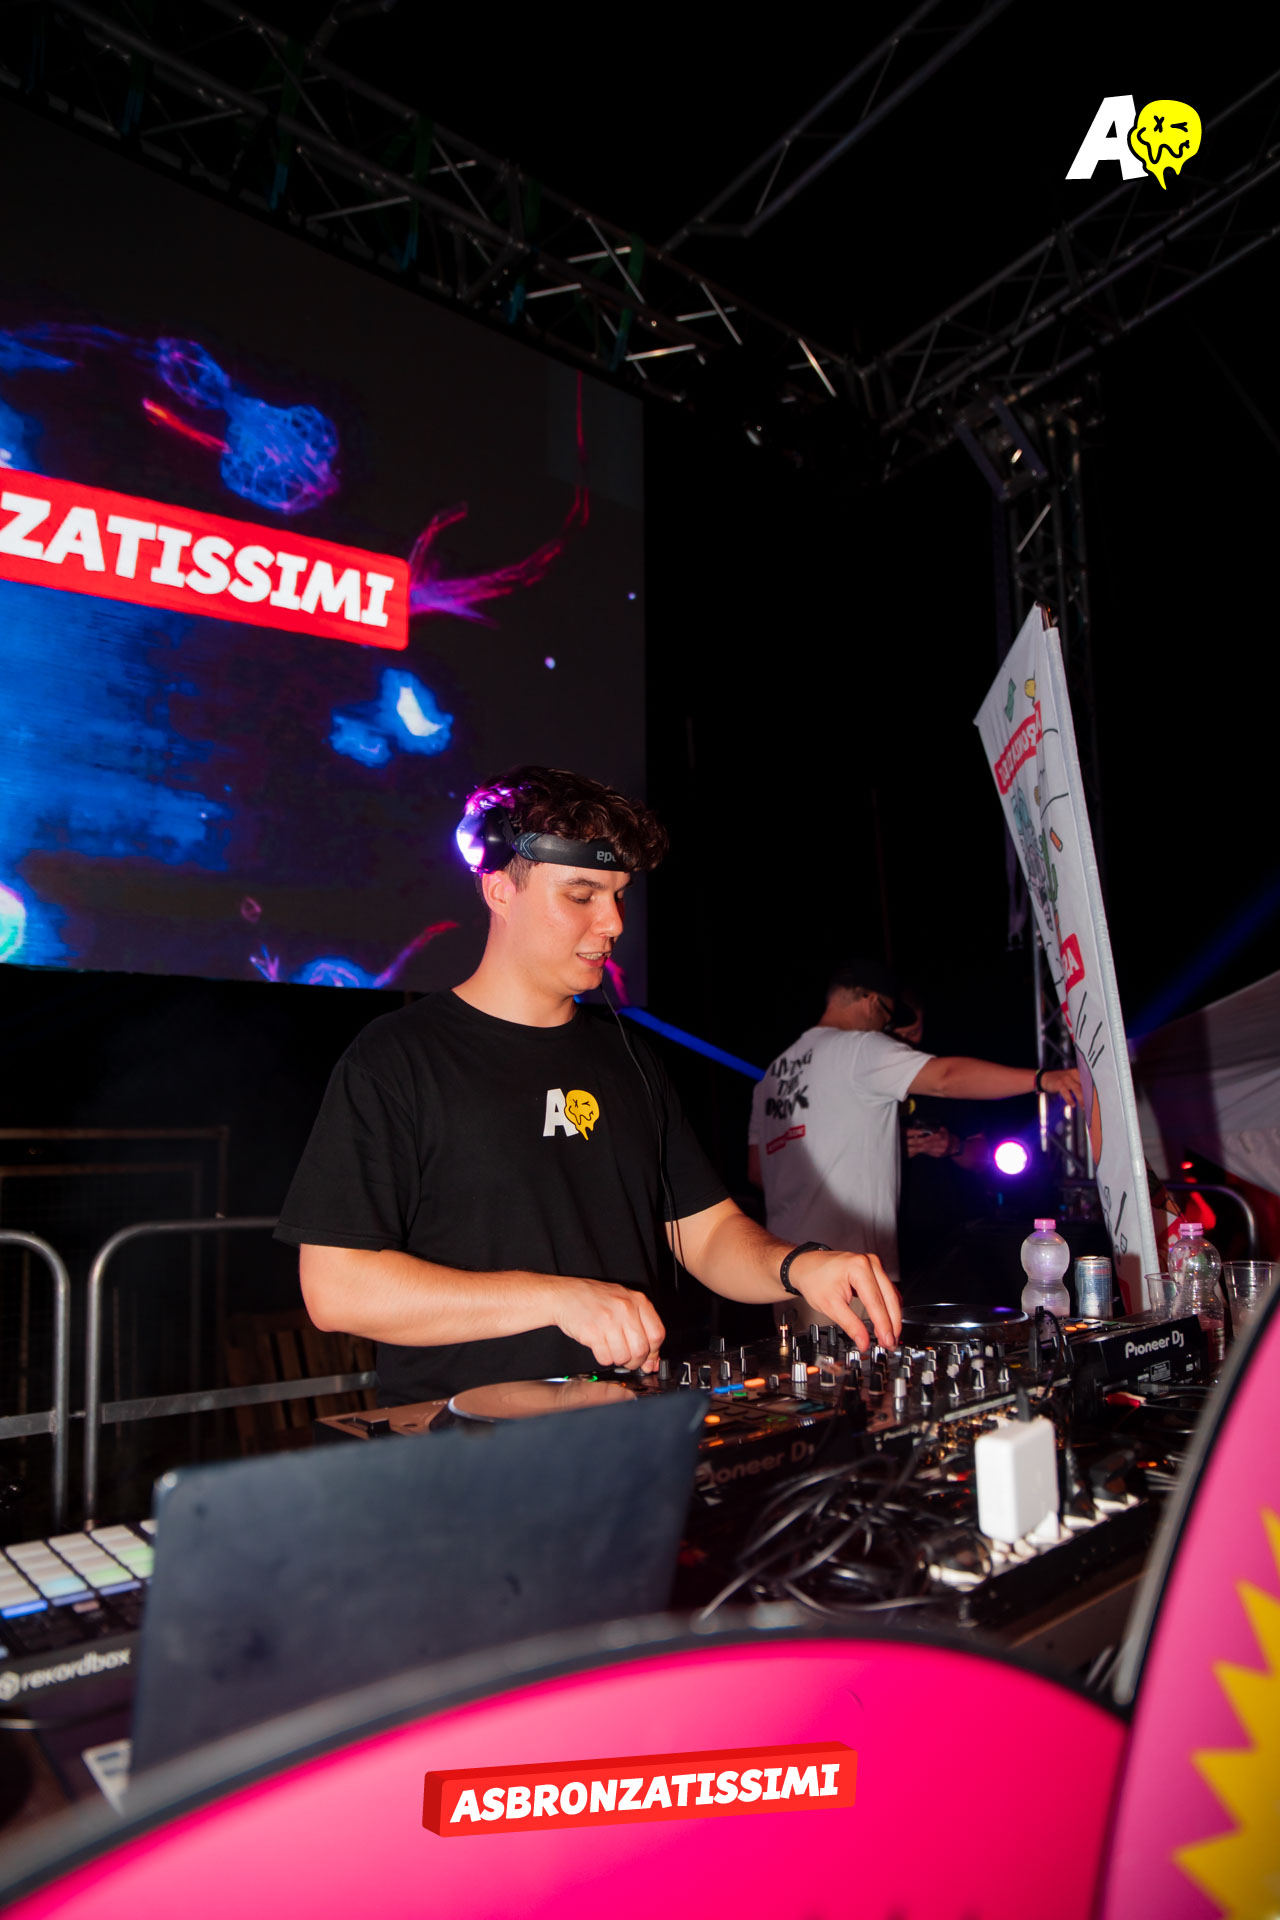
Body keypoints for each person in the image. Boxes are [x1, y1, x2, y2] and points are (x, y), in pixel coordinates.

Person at [277, 769, 901, 1403]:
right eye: (581, 895)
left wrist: (799, 1265)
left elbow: (707, 1234)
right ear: (499, 889)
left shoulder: (629, 1057)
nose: (613, 923)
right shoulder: (397, 1057)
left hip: (623, 1422)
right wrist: (557, 1299)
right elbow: (337, 1289)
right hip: (464, 1440)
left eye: (620, 895)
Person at [747, 958, 1080, 1313]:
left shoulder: (772, 1075)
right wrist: (1042, 1079)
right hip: (849, 1273)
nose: (887, 1027)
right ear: (871, 1002)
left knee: (797, 1352)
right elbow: (945, 1078)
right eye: (887, 1015)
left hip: (788, 1271)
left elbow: (757, 1172)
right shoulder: (859, 1047)